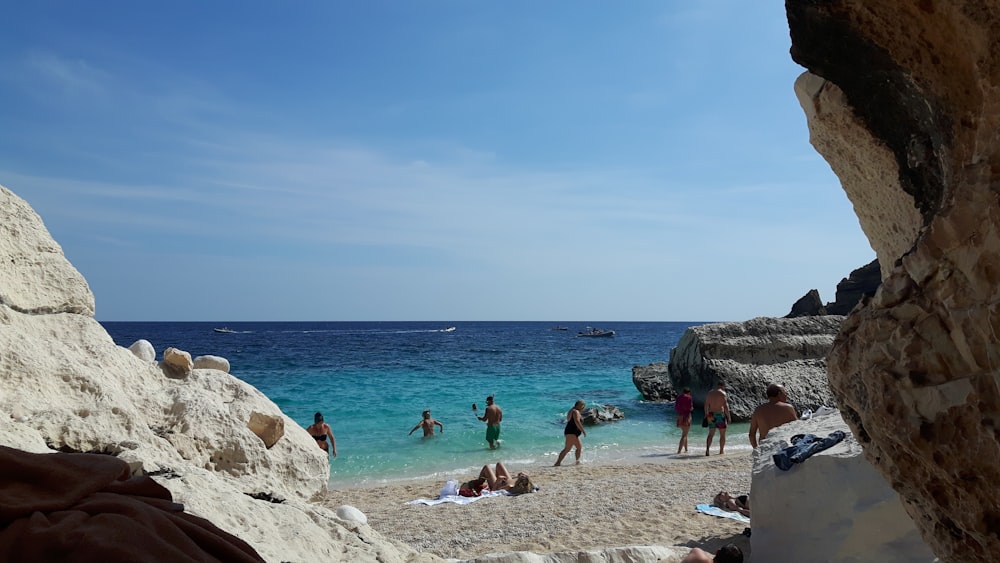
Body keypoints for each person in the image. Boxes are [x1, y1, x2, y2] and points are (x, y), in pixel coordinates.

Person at [749, 383, 798, 448]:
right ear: (779, 394)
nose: (786, 395)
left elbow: (751, 435)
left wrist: (756, 449)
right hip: (782, 446)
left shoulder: (758, 410)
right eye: (785, 393)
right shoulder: (788, 408)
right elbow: (797, 428)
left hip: (764, 446)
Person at [461, 461, 534, 495]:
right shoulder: (524, 483)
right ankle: (491, 478)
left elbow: (494, 491)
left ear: (520, 480)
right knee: (499, 464)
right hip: (505, 480)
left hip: (497, 484)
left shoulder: (510, 486)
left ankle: (479, 481)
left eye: (522, 475)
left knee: (486, 467)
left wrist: (498, 480)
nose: (522, 473)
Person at [554, 400, 587, 466]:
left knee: (570, 448)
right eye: (583, 406)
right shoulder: (575, 411)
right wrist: (583, 431)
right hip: (572, 432)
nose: (583, 408)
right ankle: (576, 462)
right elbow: (577, 421)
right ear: (580, 406)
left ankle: (559, 462)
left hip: (570, 431)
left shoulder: (571, 410)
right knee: (575, 448)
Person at [704, 381, 731, 456]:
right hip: (720, 414)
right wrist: (728, 417)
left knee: (711, 433)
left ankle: (707, 450)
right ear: (723, 386)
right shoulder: (723, 393)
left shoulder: (710, 393)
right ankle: (721, 451)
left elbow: (706, 404)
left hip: (711, 414)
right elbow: (725, 406)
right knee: (722, 434)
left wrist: (706, 414)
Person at [674, 387, 694, 454]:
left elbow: (676, 407)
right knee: (684, 435)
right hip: (686, 416)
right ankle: (679, 451)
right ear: (689, 392)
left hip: (680, 416)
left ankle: (686, 449)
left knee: (685, 433)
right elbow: (690, 407)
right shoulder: (689, 397)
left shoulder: (679, 397)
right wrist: (691, 409)